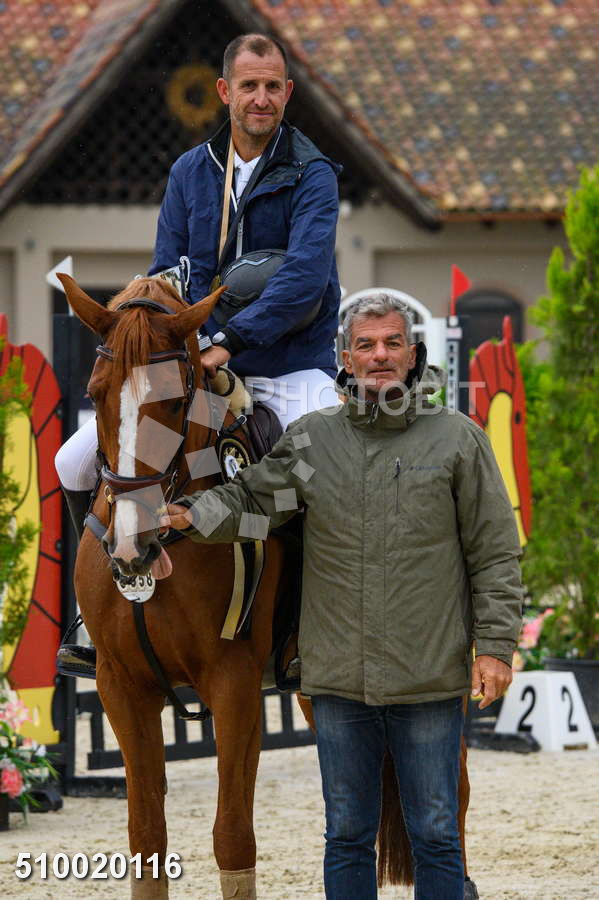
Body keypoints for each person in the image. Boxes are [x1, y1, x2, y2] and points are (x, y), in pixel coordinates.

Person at [161, 293, 524, 899]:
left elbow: (494, 553)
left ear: (413, 355)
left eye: (391, 343)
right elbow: (257, 504)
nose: (379, 355)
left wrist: (495, 648)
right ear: (346, 359)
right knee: (348, 835)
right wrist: (192, 514)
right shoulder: (312, 443)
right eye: (365, 345)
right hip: (337, 682)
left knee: (437, 835)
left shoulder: (459, 441)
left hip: (429, 678)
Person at [55, 33, 341, 677]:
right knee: (73, 460)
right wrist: (165, 337)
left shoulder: (314, 173)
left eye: (272, 86)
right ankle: (96, 613)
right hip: (194, 362)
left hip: (290, 364)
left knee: (323, 469)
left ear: (288, 93)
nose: (261, 98)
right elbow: (167, 271)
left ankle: (311, 632)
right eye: (249, 86)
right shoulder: (189, 171)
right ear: (224, 91)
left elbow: (305, 279)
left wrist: (230, 342)